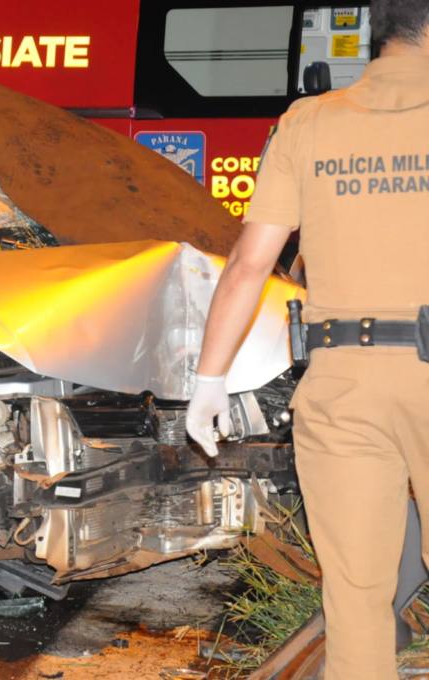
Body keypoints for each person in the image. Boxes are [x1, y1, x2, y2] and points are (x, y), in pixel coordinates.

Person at [186, 2, 429, 677]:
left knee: (355, 601)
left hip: (342, 382)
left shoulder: (308, 122)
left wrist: (209, 382)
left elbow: (248, 265)